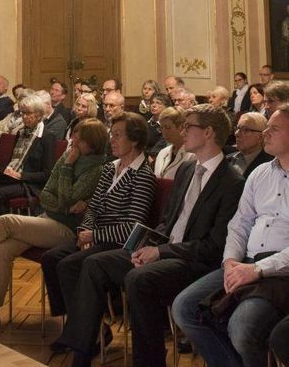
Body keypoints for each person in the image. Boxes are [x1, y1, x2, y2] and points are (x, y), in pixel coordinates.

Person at [54, 105, 243, 367]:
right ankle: (82, 353)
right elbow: (167, 222)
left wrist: (159, 251)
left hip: (193, 261)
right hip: (166, 250)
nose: (182, 131)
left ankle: (150, 361)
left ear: (208, 132)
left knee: (138, 279)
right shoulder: (187, 170)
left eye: (189, 126)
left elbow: (212, 246)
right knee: (94, 263)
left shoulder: (231, 182)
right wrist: (146, 245)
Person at [0, 118, 106, 336]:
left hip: (68, 229)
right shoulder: (67, 154)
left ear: (91, 143)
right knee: (4, 249)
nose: (73, 140)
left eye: (79, 137)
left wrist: (66, 170)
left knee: (4, 221)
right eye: (74, 134)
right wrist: (62, 204)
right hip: (49, 218)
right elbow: (46, 193)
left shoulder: (96, 168)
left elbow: (66, 196)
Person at [172, 103, 289, 367]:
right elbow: (239, 224)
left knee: (242, 327)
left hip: (280, 271)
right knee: (185, 308)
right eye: (266, 127)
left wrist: (256, 269)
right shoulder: (260, 174)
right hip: (245, 262)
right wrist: (230, 263)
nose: (265, 133)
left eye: (275, 128)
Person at [42, 113, 155, 323]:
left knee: (69, 266)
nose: (111, 140)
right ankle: (76, 322)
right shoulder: (110, 168)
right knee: (51, 258)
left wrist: (94, 235)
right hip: (94, 237)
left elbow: (132, 227)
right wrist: (85, 231)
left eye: (118, 135)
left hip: (116, 243)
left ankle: (86, 329)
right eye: (112, 134)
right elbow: (92, 207)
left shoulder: (143, 175)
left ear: (135, 140)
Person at [0, 94, 54, 251]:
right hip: (12, 178)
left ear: (39, 115)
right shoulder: (21, 133)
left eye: (28, 113)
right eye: (22, 113)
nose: (24, 117)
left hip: (29, 184)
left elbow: (47, 174)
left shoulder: (47, 137)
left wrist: (21, 175)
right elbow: (14, 160)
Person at [153, 107, 195, 179]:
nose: (164, 132)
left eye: (167, 127)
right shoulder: (162, 152)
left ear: (182, 127)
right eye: (161, 128)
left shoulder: (192, 155)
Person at [227, 111, 272, 178]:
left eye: (245, 130)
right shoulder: (227, 159)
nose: (237, 134)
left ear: (261, 137)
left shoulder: (270, 166)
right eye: (237, 128)